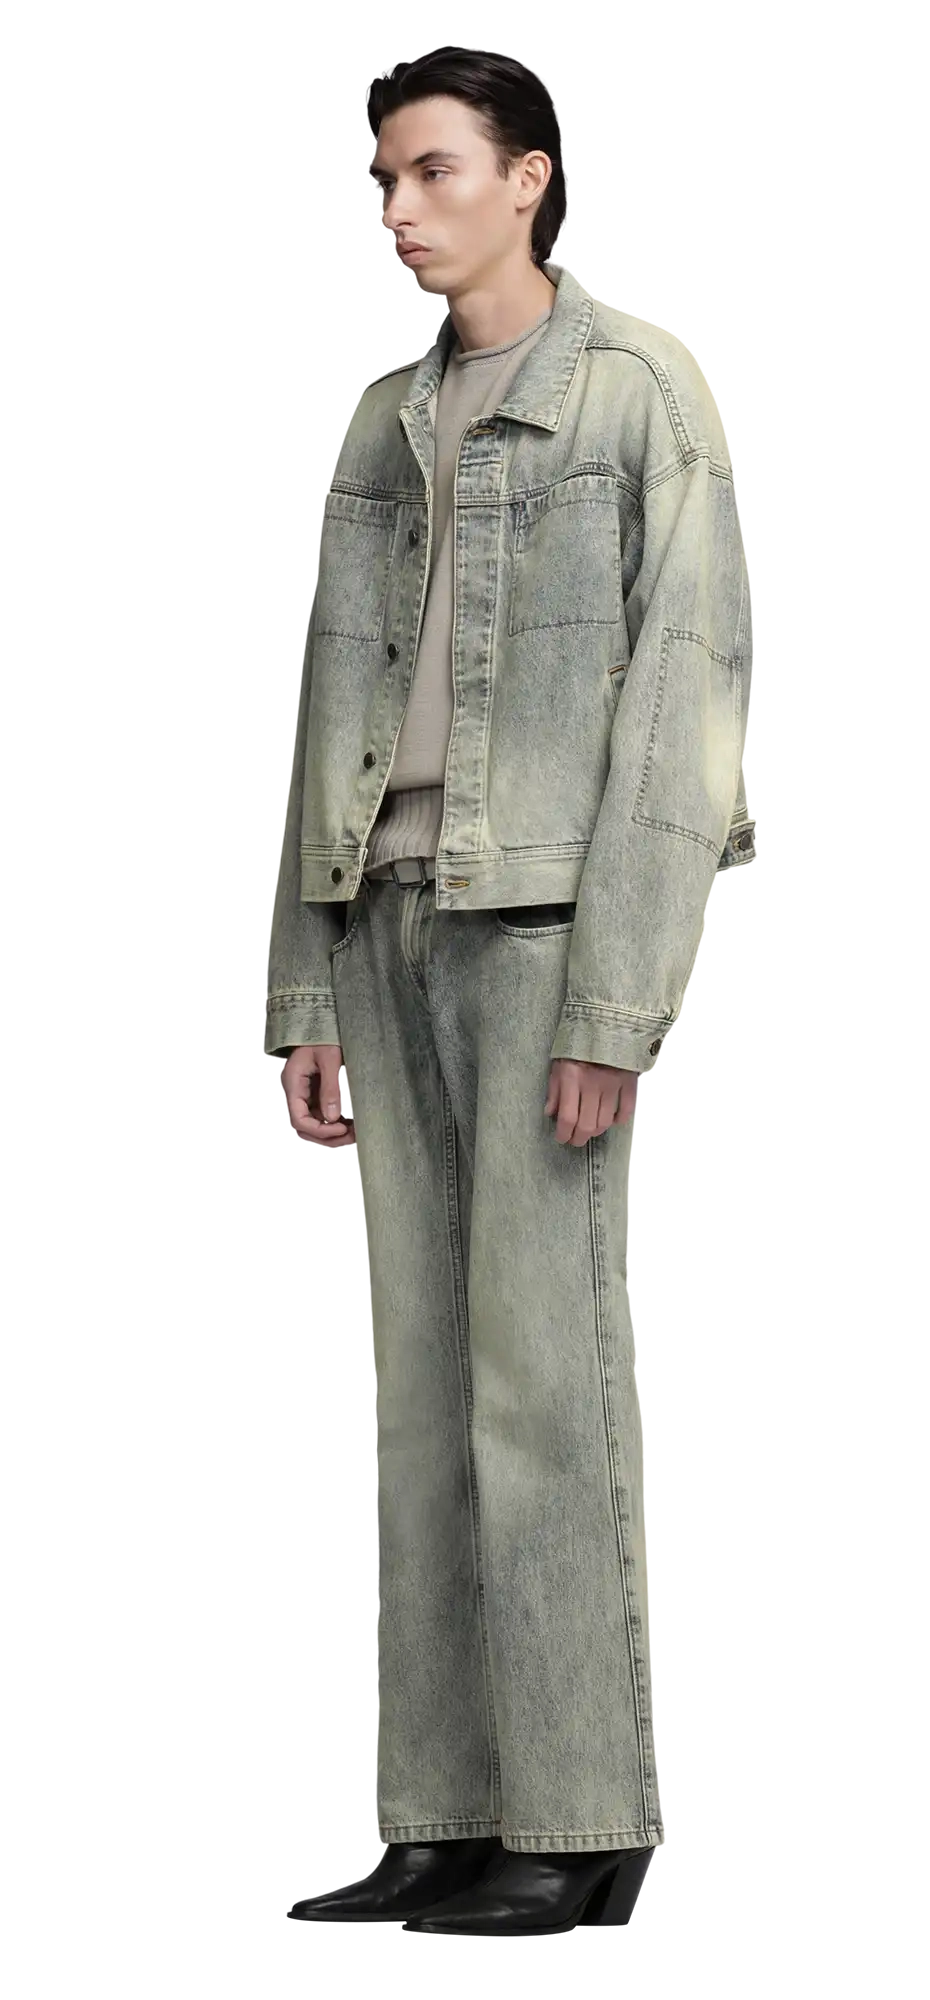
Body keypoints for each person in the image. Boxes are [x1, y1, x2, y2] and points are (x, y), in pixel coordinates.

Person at [267, 48, 755, 1937]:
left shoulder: (631, 398)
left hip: (541, 934)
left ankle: (575, 1810)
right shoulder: (381, 421)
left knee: (536, 1387)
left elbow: (681, 711)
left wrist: (613, 1002)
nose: (397, 212)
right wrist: (303, 988)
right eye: (382, 181)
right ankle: (443, 1810)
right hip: (379, 928)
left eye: (431, 173)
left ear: (526, 178)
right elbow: (322, 703)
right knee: (422, 1397)